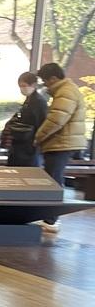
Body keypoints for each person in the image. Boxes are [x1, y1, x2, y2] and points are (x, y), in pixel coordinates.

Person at [35, 62, 89, 233]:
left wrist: (38, 136)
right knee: (53, 179)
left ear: (53, 78)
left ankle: (51, 220)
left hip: (61, 143)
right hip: (62, 142)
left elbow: (56, 120)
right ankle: (49, 218)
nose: (45, 85)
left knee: (53, 181)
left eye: (45, 80)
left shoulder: (65, 92)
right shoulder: (67, 90)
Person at [1, 71, 48, 168]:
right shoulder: (30, 100)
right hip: (22, 146)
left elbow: (41, 124)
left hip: (28, 147)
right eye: (20, 86)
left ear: (33, 85)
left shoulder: (38, 102)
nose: (22, 89)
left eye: (24, 85)